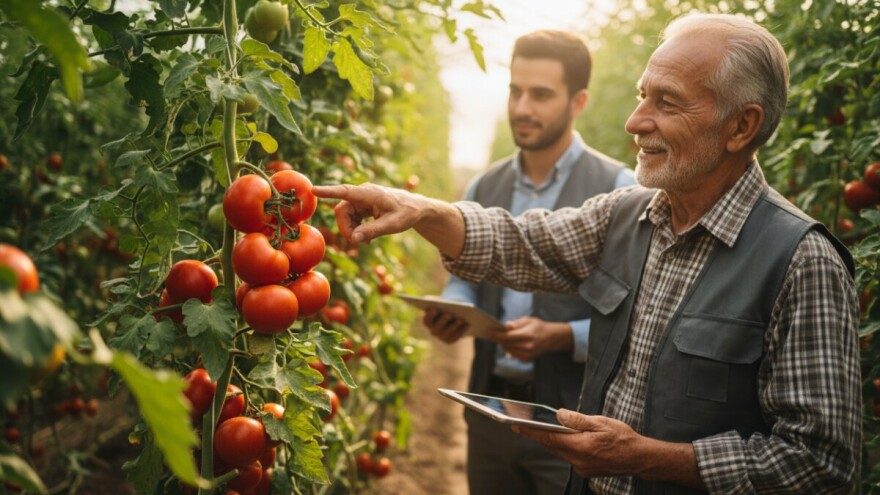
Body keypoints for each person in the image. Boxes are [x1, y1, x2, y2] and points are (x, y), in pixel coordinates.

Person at [314, 11, 861, 495]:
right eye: (641, 94)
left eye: (666, 102)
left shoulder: (800, 261)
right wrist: (418, 209)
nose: (635, 120)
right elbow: (520, 243)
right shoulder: (627, 214)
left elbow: (819, 460)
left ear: (741, 126)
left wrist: (651, 459)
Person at [424, 29, 635, 495]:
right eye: (515, 91)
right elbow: (464, 279)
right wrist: (453, 307)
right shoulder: (484, 187)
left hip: (571, 423)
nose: (522, 108)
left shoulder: (619, 189)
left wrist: (563, 337)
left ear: (578, 101)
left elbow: (636, 316)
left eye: (540, 95)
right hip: (489, 409)